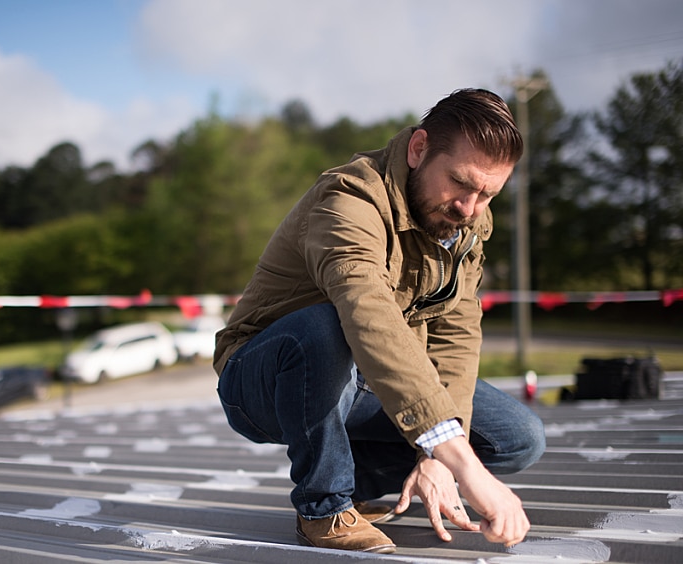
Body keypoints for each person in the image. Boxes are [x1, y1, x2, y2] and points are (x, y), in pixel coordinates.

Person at [213, 88, 546, 553]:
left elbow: (456, 338)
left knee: (517, 438)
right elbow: (366, 313)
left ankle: (352, 487)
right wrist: (464, 466)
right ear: (418, 149)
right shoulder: (348, 200)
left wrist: (439, 458)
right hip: (264, 378)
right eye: (460, 183)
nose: (468, 208)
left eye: (487, 195)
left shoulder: (466, 225)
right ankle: (324, 507)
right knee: (328, 325)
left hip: (362, 379)